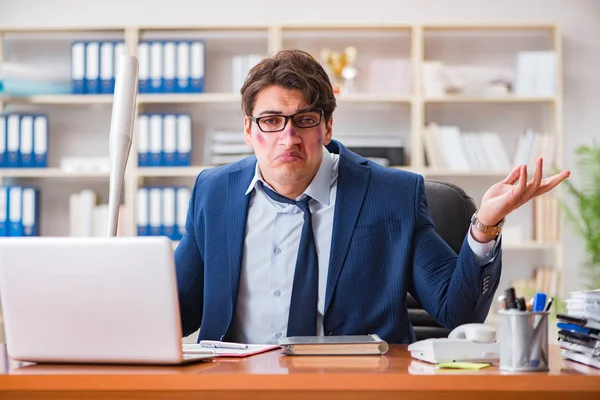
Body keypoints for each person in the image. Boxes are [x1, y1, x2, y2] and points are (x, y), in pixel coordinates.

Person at [174, 49, 570, 344]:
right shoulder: (214, 192)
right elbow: (179, 312)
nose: (288, 137)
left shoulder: (392, 195)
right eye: (271, 121)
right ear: (248, 130)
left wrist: (485, 226)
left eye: (305, 120)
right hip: (238, 386)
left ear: (327, 128)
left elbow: (457, 310)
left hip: (356, 385)